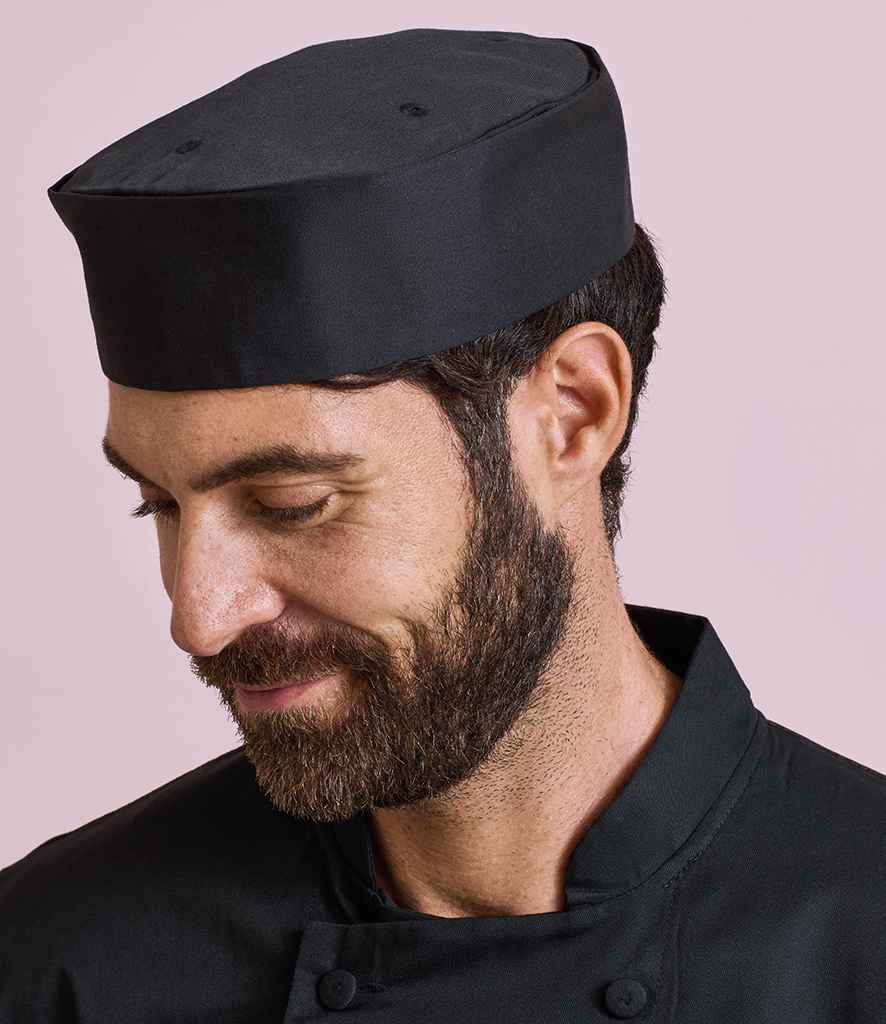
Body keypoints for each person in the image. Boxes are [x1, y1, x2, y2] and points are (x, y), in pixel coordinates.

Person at [2, 27, 883, 1023]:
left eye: (291, 504)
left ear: (572, 414)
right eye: (160, 503)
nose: (199, 617)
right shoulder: (58, 966)